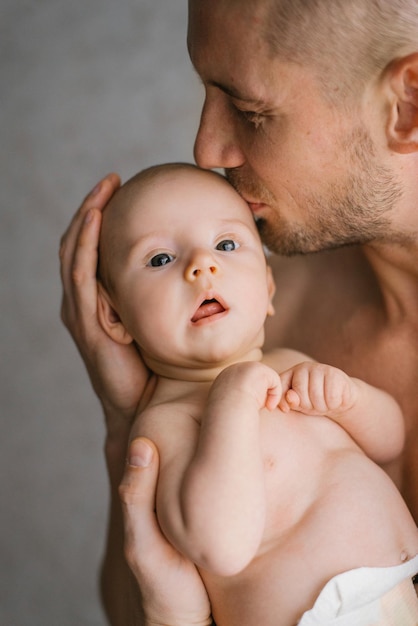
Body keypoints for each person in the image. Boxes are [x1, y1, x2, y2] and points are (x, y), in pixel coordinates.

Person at [58, 0, 418, 623]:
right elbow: (142, 605)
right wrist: (126, 418)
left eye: (251, 111)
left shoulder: (271, 324)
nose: (208, 149)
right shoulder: (271, 308)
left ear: (408, 105)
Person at [95, 162, 418, 626]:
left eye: (226, 245)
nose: (201, 266)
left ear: (268, 286)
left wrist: (349, 399)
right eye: (160, 258)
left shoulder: (288, 361)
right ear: (114, 316)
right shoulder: (164, 425)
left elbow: (390, 441)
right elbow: (220, 547)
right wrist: (232, 401)